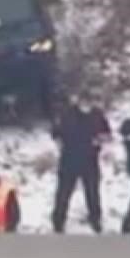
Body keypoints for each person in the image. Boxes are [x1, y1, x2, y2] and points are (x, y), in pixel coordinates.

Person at [49, 94, 110, 234]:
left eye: (89, 102)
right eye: (84, 102)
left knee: (92, 192)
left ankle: (95, 219)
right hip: (69, 159)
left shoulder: (97, 115)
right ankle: (58, 221)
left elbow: (107, 134)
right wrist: (59, 141)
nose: (86, 105)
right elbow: (55, 132)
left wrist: (100, 140)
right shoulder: (67, 114)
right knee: (63, 192)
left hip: (90, 160)